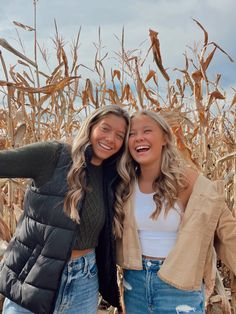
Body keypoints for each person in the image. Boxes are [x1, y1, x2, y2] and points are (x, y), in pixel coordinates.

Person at [0, 104, 130, 314]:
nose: (110, 139)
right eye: (105, 128)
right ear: (91, 126)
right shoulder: (54, 156)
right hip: (34, 274)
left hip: (83, 280)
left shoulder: (113, 176)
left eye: (120, 135)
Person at [116, 110, 236, 314]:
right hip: (134, 282)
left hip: (179, 285)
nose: (139, 138)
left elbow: (227, 233)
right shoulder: (124, 184)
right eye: (132, 134)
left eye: (147, 131)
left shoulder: (194, 184)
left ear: (165, 138)